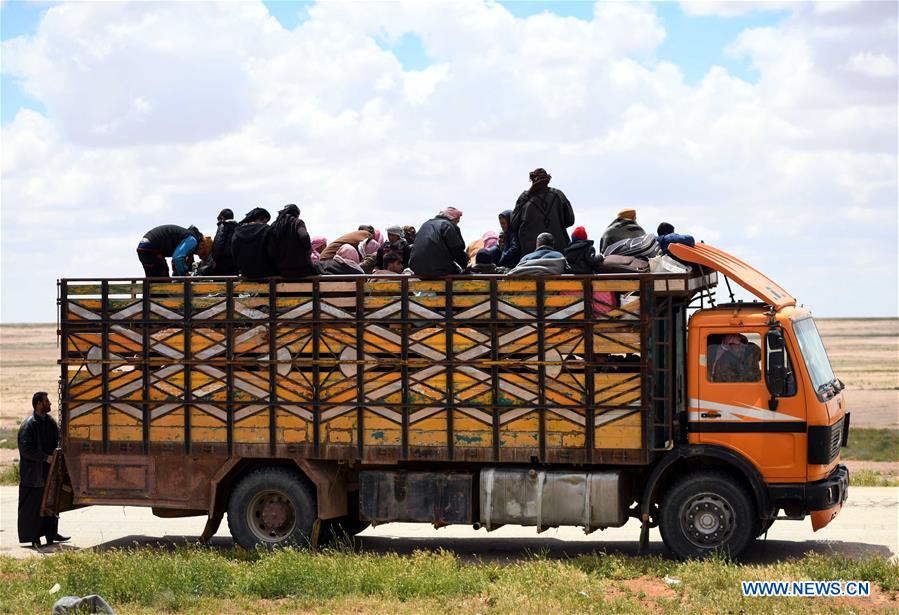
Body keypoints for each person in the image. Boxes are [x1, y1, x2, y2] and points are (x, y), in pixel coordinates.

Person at [18, 392, 68, 549]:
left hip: (49, 472)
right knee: (34, 506)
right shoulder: (29, 425)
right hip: (34, 474)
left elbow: (58, 438)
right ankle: (33, 538)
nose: (50, 403)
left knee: (51, 503)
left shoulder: (50, 422)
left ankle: (51, 534)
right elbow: (25, 449)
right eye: (47, 401)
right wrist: (45, 458)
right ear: (39, 403)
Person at [510, 168, 575, 255]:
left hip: (531, 253)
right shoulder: (558, 194)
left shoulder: (525, 198)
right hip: (559, 250)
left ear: (532, 180)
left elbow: (514, 224)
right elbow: (570, 220)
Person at [409, 207, 468, 276]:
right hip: (439, 269)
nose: (457, 223)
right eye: (457, 220)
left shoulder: (425, 224)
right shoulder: (448, 225)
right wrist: (465, 266)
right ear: (453, 219)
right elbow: (457, 250)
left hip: (416, 268)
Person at [136, 224, 211, 277]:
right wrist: (185, 275)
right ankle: (159, 299)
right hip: (151, 249)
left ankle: (152, 299)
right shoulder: (192, 240)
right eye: (202, 254)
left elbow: (176, 260)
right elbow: (177, 258)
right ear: (202, 246)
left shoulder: (186, 235)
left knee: (153, 279)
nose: (199, 255)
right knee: (162, 278)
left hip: (144, 248)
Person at [268, 204, 315, 278]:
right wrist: (308, 250)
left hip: (281, 271)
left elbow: (270, 249)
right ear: (296, 213)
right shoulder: (297, 222)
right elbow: (304, 236)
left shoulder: (274, 225)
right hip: (302, 269)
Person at [231, 207, 273, 279]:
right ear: (264, 219)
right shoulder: (268, 230)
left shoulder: (237, 233)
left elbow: (234, 254)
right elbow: (272, 252)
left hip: (245, 274)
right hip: (266, 274)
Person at [199, 209, 238, 275]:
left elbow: (218, 244)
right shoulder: (237, 228)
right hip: (235, 262)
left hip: (222, 261)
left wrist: (215, 259)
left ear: (222, 218)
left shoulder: (223, 226)